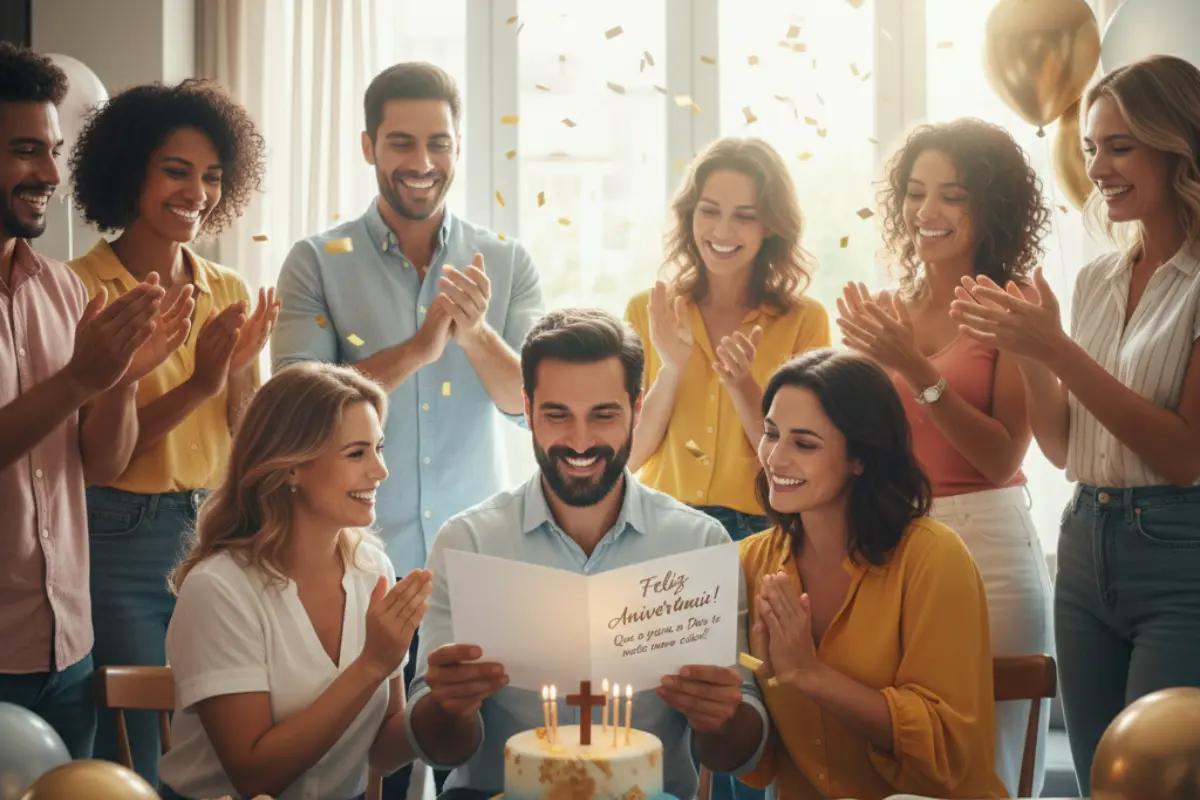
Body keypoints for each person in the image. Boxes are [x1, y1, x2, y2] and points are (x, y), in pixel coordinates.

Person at [271, 62, 542, 798]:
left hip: (478, 573)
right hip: (353, 571)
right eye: (401, 142)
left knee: (483, 771)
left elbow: (531, 405)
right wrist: (421, 350)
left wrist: (476, 332)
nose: (421, 164)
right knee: (372, 773)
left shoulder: (507, 261)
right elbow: (294, 408)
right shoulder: (314, 262)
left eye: (438, 143)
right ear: (368, 146)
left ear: (459, 148)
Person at [951, 54, 1200, 794]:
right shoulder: (1096, 277)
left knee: (1161, 781)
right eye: (1092, 147)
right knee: (1100, 778)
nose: (1098, 166)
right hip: (1086, 545)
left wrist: (1054, 348)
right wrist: (1031, 350)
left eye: (1120, 145)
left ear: (1178, 144)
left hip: (1178, 553)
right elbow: (1063, 448)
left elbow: (1184, 454)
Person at [404, 309, 769, 800]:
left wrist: (722, 717)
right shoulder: (467, 543)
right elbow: (438, 752)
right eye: (557, 414)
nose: (579, 442)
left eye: (603, 414)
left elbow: (734, 757)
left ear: (637, 409)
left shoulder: (698, 545)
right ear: (527, 408)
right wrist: (450, 708)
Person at [835, 118, 1054, 795]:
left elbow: (1001, 455)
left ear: (990, 208)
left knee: (990, 765)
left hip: (988, 546)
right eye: (915, 192)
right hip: (893, 543)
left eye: (952, 195)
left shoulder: (1012, 304)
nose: (926, 213)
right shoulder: (891, 309)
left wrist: (909, 367)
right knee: (906, 761)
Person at [67, 78, 274, 784]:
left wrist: (239, 381)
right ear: (131, 172)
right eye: (176, 171)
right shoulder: (83, 290)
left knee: (215, 745)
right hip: (119, 538)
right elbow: (105, 457)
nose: (198, 192)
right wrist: (200, 386)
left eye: (212, 177)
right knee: (139, 751)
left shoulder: (229, 290)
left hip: (214, 530)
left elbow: (246, 437)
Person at [0, 43, 189, 759]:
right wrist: (82, 378)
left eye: (52, 149)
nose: (51, 173)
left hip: (68, 650)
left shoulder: (63, 291)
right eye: (25, 150)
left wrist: (127, 375)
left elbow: (101, 462)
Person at [739, 349, 1008, 800]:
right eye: (771, 433)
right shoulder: (750, 563)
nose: (775, 458)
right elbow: (760, 763)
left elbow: (946, 752)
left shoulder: (933, 558)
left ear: (860, 458)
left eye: (804, 443)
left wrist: (809, 674)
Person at [158, 362, 432, 800]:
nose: (380, 471)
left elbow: (381, 750)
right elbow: (254, 777)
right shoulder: (219, 589)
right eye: (356, 453)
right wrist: (372, 664)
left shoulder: (373, 569)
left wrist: (449, 706)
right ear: (291, 467)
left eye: (379, 448)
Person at [625, 137, 830, 547]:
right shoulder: (648, 312)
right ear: (690, 215)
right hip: (661, 526)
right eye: (710, 211)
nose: (722, 231)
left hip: (761, 531)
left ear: (770, 224)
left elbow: (800, 464)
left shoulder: (804, 321)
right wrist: (672, 369)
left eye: (744, 216)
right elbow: (629, 456)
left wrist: (742, 385)